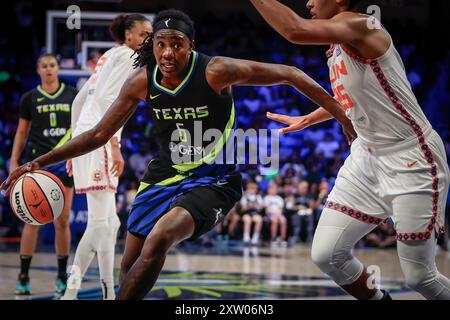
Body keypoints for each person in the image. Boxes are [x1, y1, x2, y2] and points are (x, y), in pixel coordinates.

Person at [2, 9, 355, 300]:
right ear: (152, 46)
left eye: (177, 45)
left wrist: (341, 115)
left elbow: (291, 74)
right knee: (131, 268)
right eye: (161, 44)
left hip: (214, 178)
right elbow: (97, 134)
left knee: (160, 238)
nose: (168, 53)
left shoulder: (216, 71)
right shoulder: (141, 81)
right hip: (163, 175)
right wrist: (35, 162)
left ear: (191, 46)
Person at [251, 0, 450, 299]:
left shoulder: (362, 25)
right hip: (367, 157)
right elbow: (351, 94)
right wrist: (309, 118)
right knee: (326, 254)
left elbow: (294, 30)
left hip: (411, 156)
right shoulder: (337, 44)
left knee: (421, 277)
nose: (308, 2)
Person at [61, 14, 152, 300]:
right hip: (100, 139)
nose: (148, 39)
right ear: (128, 35)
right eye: (143, 34)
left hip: (87, 138)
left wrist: (74, 146)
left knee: (110, 223)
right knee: (100, 223)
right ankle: (72, 292)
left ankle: (106, 290)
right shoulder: (130, 57)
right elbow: (105, 102)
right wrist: (112, 143)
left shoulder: (109, 56)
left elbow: (80, 100)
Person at [9, 53, 77, 295]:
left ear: (58, 68)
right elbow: (21, 132)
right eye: (44, 66)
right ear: (38, 71)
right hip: (37, 163)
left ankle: (61, 275)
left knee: (62, 220)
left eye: (52, 66)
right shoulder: (30, 98)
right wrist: (14, 159)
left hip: (63, 162)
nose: (49, 69)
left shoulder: (72, 94)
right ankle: (23, 275)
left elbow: (81, 128)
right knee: (31, 219)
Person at [240, 182, 265, 246]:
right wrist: (248, 206)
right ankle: (246, 237)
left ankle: (255, 238)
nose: (252, 190)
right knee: (247, 220)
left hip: (255, 213)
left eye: (254, 189)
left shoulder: (258, 197)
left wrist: (257, 206)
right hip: (246, 213)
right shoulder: (245, 197)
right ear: (248, 189)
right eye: (251, 189)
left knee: (259, 220)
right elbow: (242, 209)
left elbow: (261, 207)